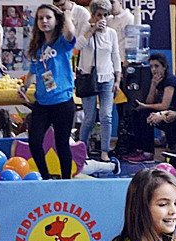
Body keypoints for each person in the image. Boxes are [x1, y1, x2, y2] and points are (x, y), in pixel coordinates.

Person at [19, 3, 76, 179]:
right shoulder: (37, 47)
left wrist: (66, 16)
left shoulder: (62, 42)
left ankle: (66, 181)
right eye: (40, 18)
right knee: (34, 142)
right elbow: (33, 71)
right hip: (42, 103)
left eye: (48, 17)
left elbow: (70, 32)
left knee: (62, 145)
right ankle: (46, 177)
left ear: (56, 20)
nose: (44, 21)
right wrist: (24, 87)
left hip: (62, 101)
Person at [76, 0, 121, 162]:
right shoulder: (86, 29)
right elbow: (78, 46)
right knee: (89, 117)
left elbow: (115, 55)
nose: (102, 18)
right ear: (93, 16)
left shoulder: (111, 33)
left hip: (107, 78)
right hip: (89, 77)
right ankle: (82, 149)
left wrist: (117, 79)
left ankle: (105, 151)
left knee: (106, 116)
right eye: (99, 15)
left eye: (105, 15)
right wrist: (93, 29)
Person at [123, 53, 176, 162]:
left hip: (175, 115)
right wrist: (153, 85)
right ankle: (139, 148)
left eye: (156, 66)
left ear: (164, 67)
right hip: (164, 113)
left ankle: (148, 152)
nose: (153, 69)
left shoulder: (170, 80)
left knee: (145, 113)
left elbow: (164, 105)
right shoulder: (157, 80)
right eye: (151, 66)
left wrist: (145, 106)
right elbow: (149, 101)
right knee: (137, 112)